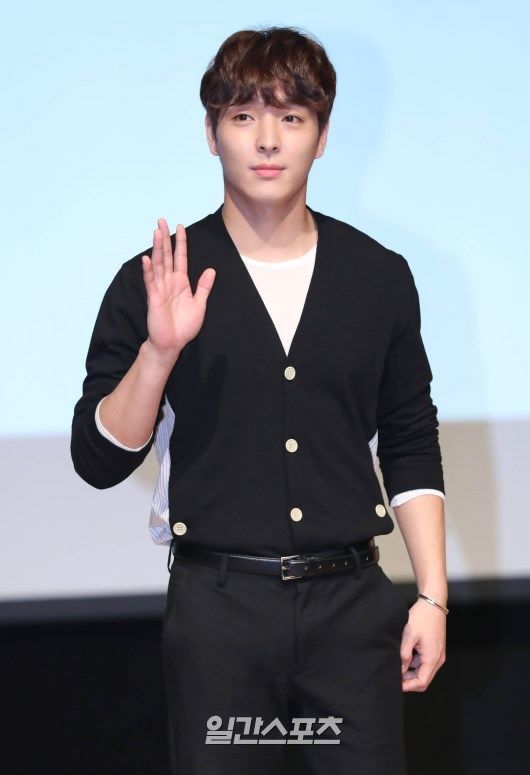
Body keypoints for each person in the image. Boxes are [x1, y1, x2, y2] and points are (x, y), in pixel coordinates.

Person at [71, 25, 448, 775]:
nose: (267, 140)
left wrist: (432, 597)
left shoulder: (378, 277)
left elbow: (409, 438)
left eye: (292, 117)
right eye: (243, 115)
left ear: (323, 136)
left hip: (351, 612)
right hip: (220, 615)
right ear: (211, 133)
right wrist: (159, 352)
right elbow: (97, 460)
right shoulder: (158, 276)